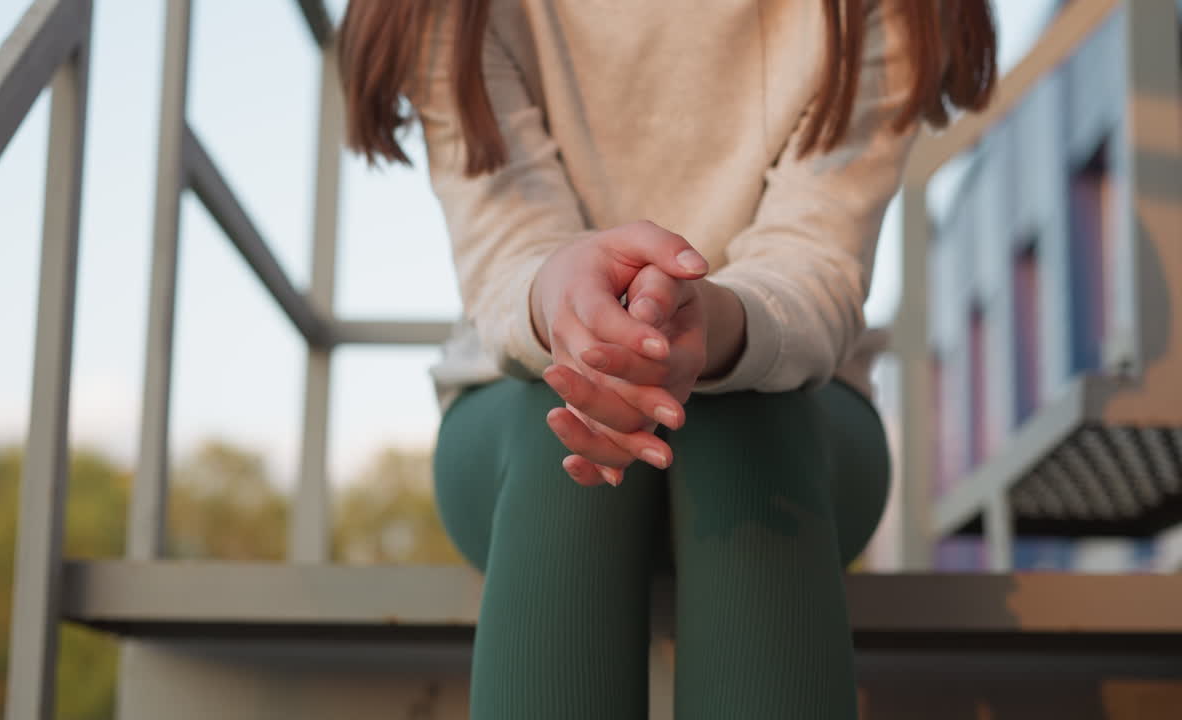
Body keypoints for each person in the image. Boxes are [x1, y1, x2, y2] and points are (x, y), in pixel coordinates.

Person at [340, 1, 996, 717]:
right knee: (560, 426)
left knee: (742, 419)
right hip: (516, 415)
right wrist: (569, 309)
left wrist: (713, 328)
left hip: (799, 412)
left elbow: (818, 255)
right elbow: (505, 241)